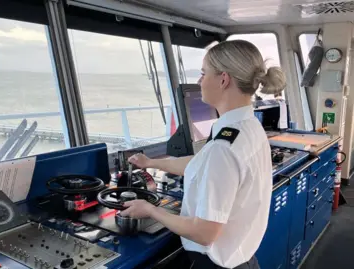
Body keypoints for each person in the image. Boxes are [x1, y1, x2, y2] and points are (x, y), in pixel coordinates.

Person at [121, 40, 286, 269]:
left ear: (223, 79)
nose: (199, 81)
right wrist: (151, 163)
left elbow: (204, 233)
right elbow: (201, 164)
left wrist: (150, 210)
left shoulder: (224, 147)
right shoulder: (248, 126)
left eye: (203, 73)